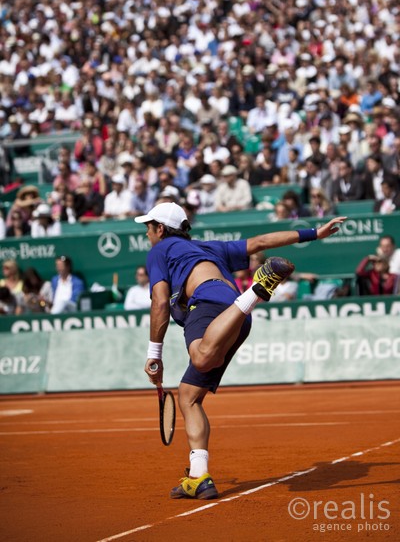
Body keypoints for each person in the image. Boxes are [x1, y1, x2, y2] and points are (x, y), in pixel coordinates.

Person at [135, 202, 346, 499]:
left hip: (209, 303)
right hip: (235, 316)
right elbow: (259, 242)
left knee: (201, 356)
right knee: (188, 395)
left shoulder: (159, 250)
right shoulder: (209, 247)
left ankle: (256, 291)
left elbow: (159, 303)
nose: (147, 233)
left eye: (148, 227)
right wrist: (313, 233)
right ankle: (199, 475)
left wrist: (154, 355)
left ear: (160, 228)